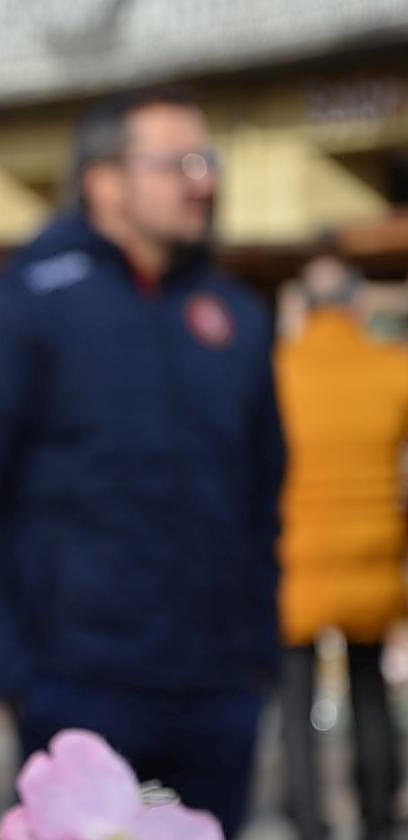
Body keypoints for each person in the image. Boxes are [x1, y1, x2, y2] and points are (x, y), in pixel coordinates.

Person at [0, 88, 285, 836]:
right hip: (79, 690)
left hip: (218, 691)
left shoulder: (234, 314)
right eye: (177, 162)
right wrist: (15, 676)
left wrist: (256, 657)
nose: (202, 180)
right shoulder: (22, 307)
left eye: (207, 160)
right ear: (104, 180)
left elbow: (263, 489)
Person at [277, 255, 408, 840]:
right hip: (372, 555)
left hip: (296, 559)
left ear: (304, 306)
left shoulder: (279, 371)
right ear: (357, 305)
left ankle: (310, 820)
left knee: (296, 700)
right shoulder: (391, 369)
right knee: (370, 692)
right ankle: (377, 814)